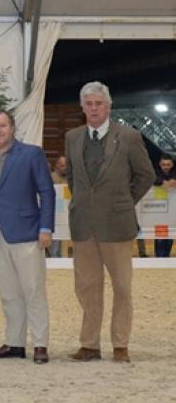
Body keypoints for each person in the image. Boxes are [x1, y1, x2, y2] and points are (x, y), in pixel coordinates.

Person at [65, 81, 155, 363]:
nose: (93, 108)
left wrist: (124, 201)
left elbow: (146, 175)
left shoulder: (129, 137)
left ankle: (120, 344)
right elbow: (72, 177)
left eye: (98, 104)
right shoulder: (72, 137)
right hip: (83, 227)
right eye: (88, 104)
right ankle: (90, 344)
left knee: (122, 288)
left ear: (108, 106)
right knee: (87, 287)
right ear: (82, 107)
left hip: (117, 225)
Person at [0, 109, 55, 364]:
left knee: (33, 290)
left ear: (12, 128)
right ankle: (15, 343)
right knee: (8, 292)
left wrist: (46, 228)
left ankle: (40, 344)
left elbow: (47, 192)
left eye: (3, 126)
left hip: (28, 233)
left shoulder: (31, 154)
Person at [154, 155, 175, 258]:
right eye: (163, 165)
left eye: (168, 165)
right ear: (159, 164)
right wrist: (163, 182)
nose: (166, 167)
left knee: (170, 236)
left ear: (172, 164)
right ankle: (160, 257)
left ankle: (166, 256)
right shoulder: (155, 172)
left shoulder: (174, 172)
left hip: (172, 209)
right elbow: (153, 179)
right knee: (160, 236)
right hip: (160, 209)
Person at [49, 154, 68, 257]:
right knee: (55, 247)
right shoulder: (50, 178)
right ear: (57, 165)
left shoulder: (69, 179)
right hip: (55, 216)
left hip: (66, 216)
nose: (64, 168)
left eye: (66, 165)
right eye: (62, 165)